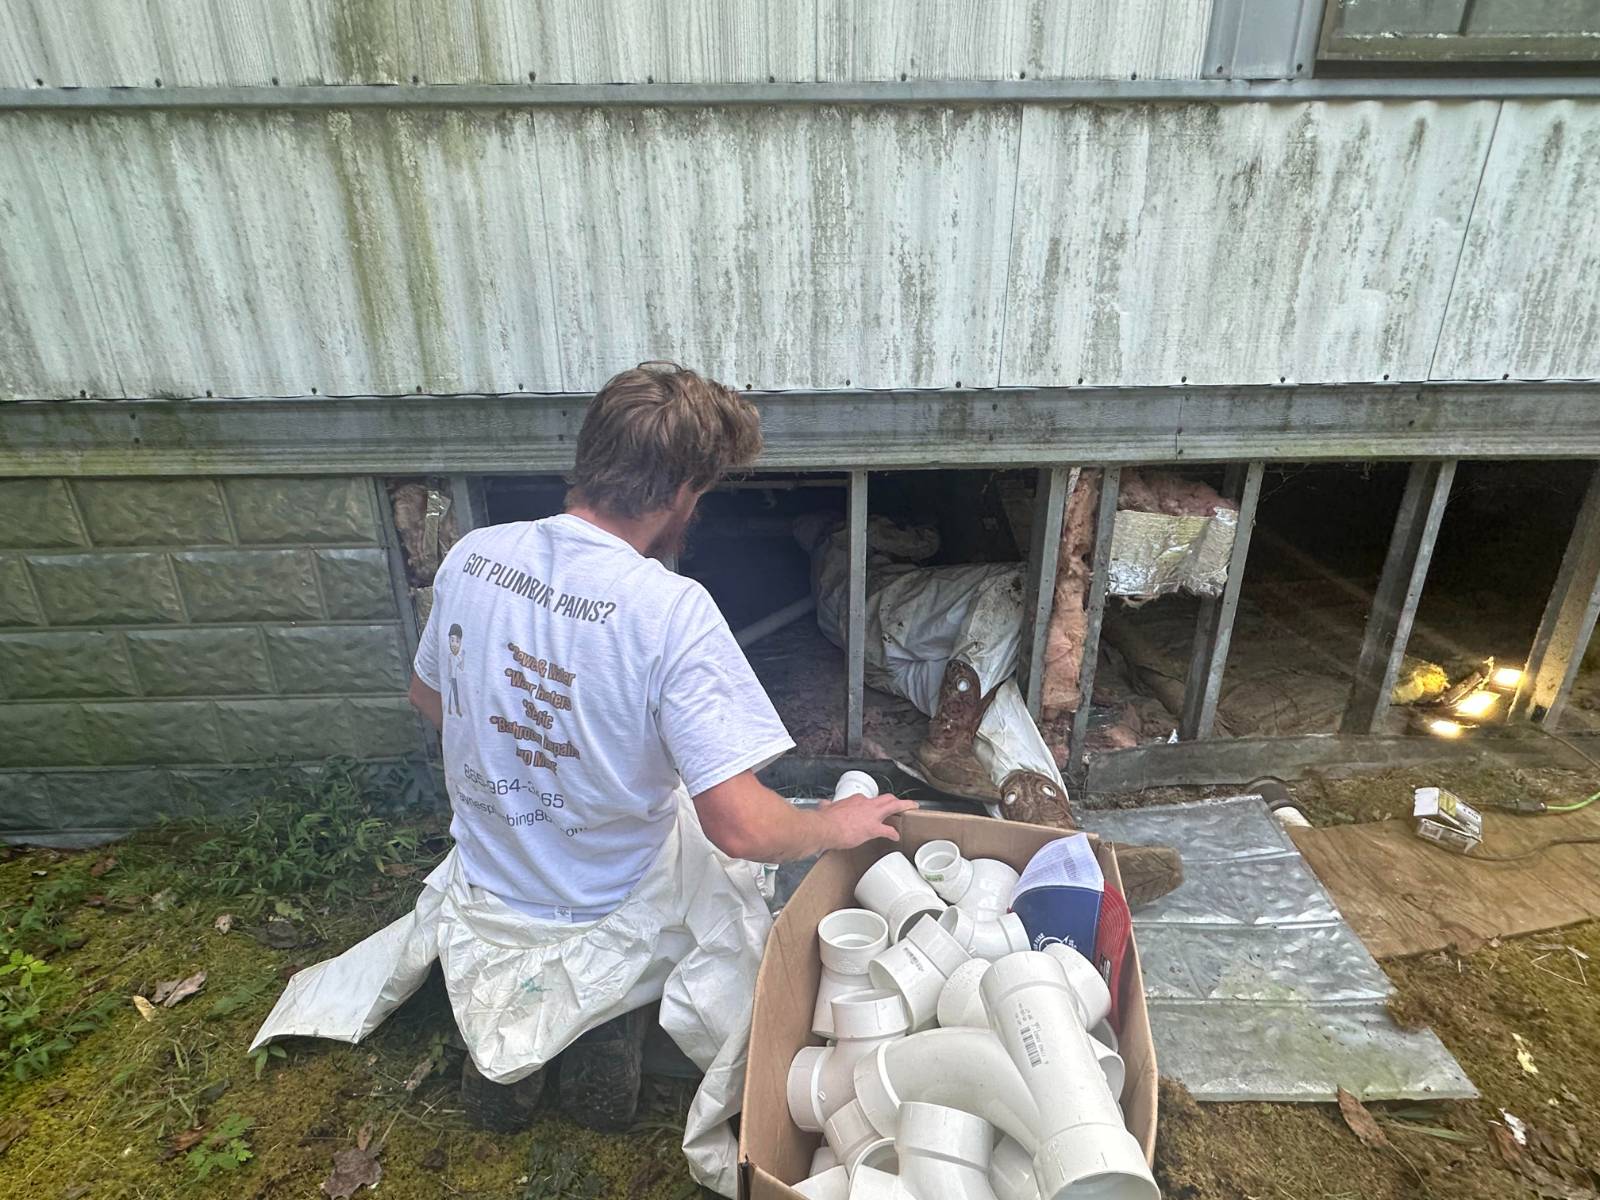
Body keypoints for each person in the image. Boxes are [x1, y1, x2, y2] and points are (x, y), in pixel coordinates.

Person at [250, 364, 914, 1196]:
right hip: (603, 894)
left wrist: (523, 766)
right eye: (700, 492)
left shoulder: (474, 558)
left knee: (650, 806)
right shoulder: (669, 611)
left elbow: (430, 697)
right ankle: (606, 1031)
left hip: (495, 873)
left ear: (591, 456)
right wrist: (833, 827)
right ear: (679, 491)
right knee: (719, 866)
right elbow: (741, 827)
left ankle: (513, 1062)